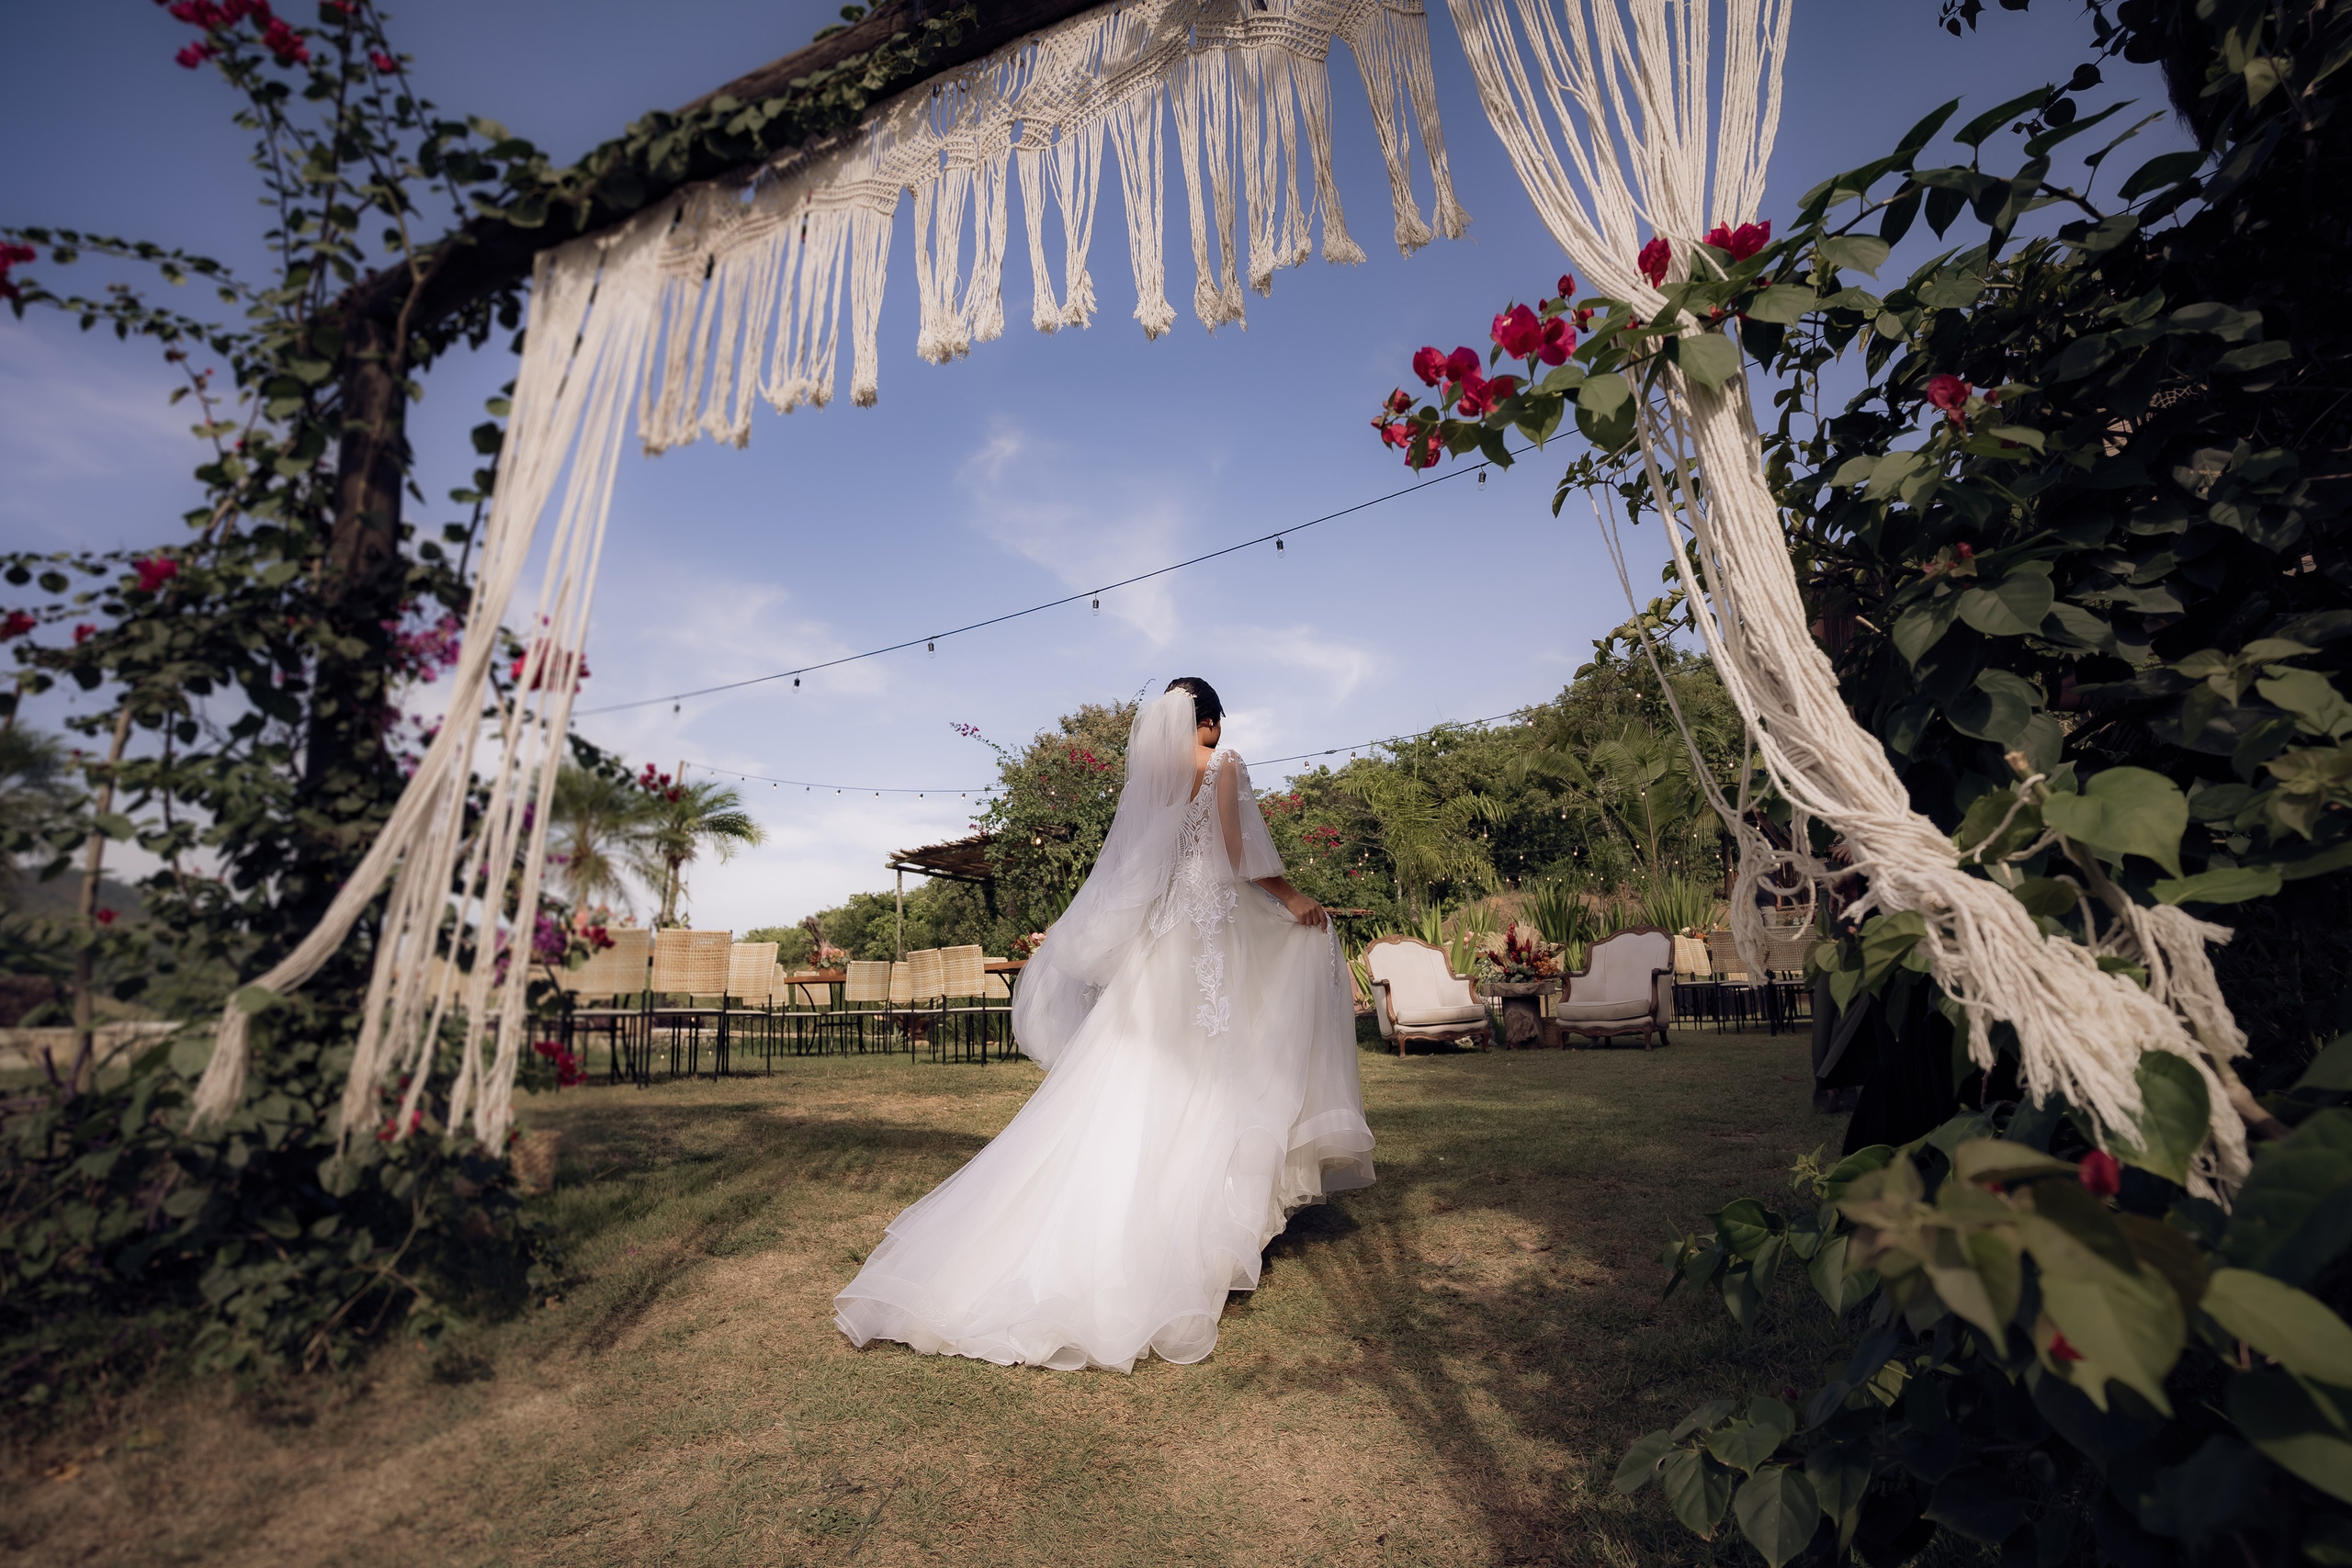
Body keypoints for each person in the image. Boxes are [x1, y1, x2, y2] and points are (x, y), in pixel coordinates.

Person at [833, 678, 1375, 1371]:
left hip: (1164, 943)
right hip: (1211, 938)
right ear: (1208, 719)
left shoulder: (1155, 778)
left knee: (1137, 1076)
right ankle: (1207, 1223)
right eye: (1214, 721)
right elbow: (1241, 860)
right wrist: (1294, 895)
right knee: (1220, 1068)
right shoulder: (1223, 764)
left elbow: (1137, 873)